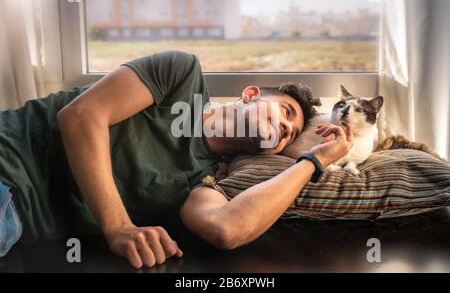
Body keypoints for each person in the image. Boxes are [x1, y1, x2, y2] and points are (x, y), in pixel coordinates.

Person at [0, 51, 353, 268]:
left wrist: (311, 162)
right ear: (250, 95)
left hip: (13, 221)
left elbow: (226, 229)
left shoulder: (205, 179)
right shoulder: (181, 76)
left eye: (290, 133)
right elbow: (80, 116)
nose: (284, 126)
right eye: (285, 111)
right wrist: (119, 228)